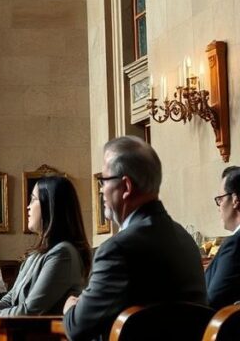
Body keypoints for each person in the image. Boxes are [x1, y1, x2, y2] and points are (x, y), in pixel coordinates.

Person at [63, 136, 207, 340]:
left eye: (103, 181)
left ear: (126, 187)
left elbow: (77, 327)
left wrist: (70, 308)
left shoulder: (118, 249)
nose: (102, 190)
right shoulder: (185, 240)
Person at [0, 176, 90, 316]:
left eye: (33, 199)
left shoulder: (63, 253)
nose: (28, 206)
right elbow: (9, 300)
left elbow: (31, 310)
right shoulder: (35, 255)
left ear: (50, 205)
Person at [206, 165, 240, 308]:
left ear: (235, 200)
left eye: (220, 199)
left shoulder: (235, 243)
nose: (218, 206)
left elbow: (212, 300)